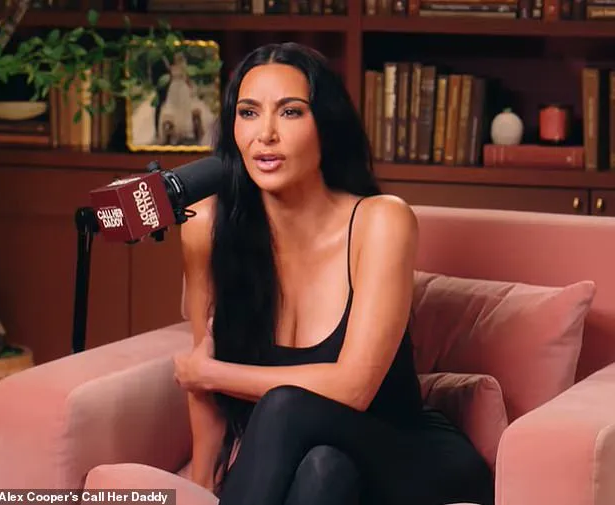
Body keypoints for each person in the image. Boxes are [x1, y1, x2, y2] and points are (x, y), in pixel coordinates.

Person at [173, 42, 494, 505]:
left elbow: (353, 388)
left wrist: (212, 374)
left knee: (285, 405)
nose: (265, 134)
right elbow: (202, 388)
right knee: (324, 469)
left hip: (408, 455)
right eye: (248, 113)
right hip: (328, 465)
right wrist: (203, 484)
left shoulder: (380, 220)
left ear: (325, 124)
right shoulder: (207, 226)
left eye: (290, 112)